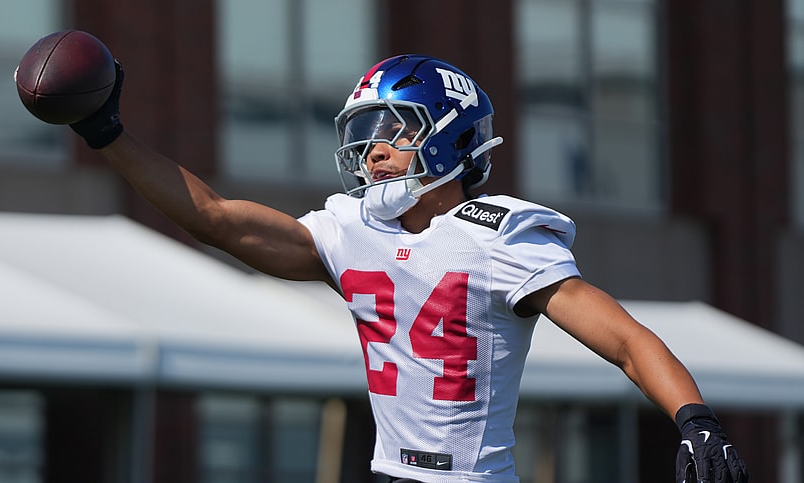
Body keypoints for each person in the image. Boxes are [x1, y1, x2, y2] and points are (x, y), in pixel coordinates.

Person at [66, 54, 748, 483]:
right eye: (365, 132)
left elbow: (624, 339)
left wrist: (695, 420)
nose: (372, 149)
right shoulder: (349, 230)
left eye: (395, 128)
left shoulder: (501, 234)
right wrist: (108, 136)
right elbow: (213, 218)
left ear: (450, 136)